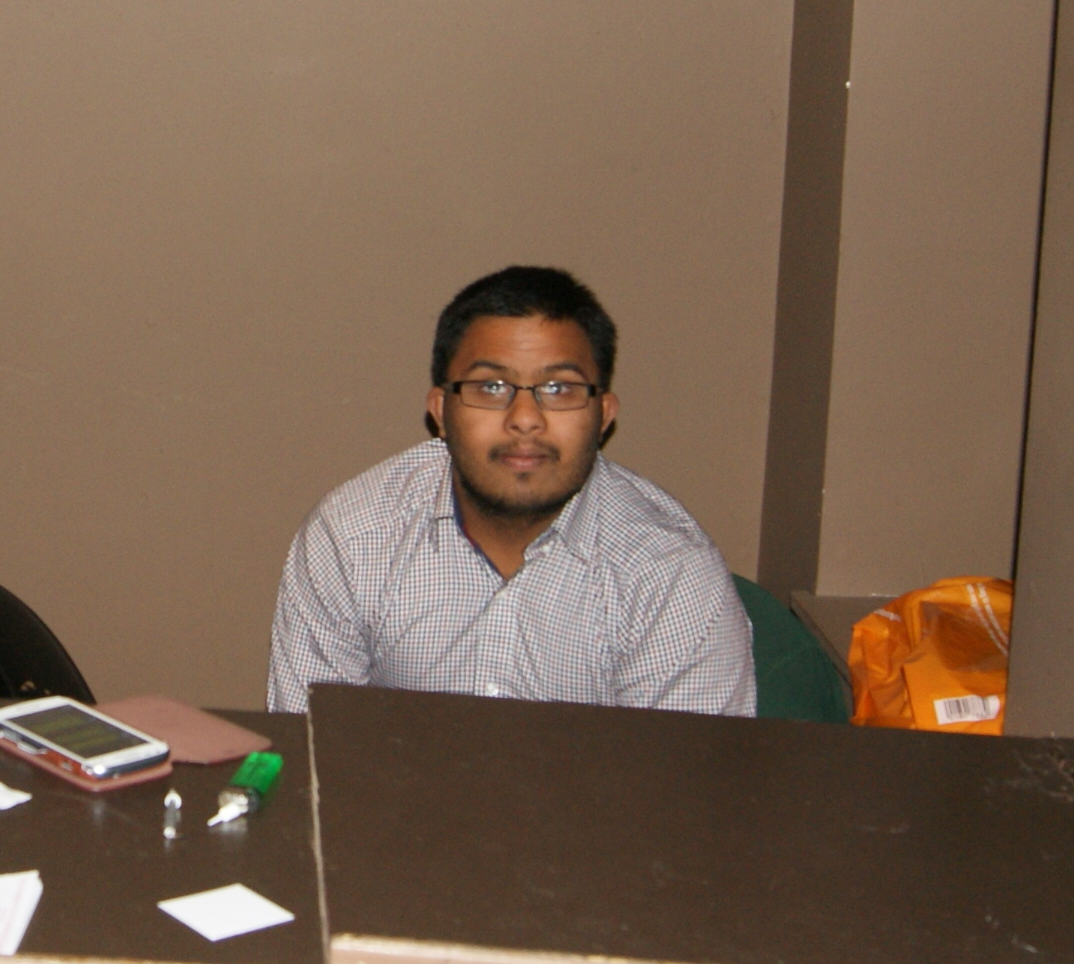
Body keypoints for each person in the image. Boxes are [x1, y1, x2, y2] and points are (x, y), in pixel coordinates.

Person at [267, 265, 754, 715]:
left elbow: (680, 777)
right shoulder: (352, 537)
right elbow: (315, 752)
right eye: (491, 387)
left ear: (603, 415)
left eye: (559, 389)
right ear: (440, 411)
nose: (525, 419)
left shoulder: (670, 571)